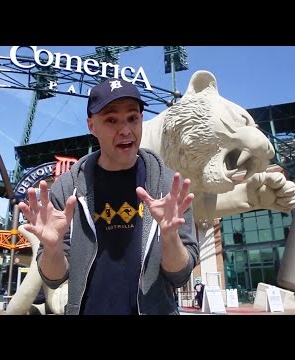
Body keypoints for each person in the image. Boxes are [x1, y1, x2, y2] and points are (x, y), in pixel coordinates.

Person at [19, 77, 199, 315]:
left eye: (132, 118)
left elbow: (180, 275)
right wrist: (52, 248)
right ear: (91, 126)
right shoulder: (67, 188)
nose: (125, 130)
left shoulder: (169, 185)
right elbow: (54, 279)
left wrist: (169, 237)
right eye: (111, 120)